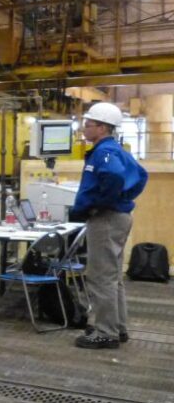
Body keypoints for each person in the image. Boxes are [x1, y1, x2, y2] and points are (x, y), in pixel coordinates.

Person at [68, 102, 148, 349]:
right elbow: (141, 175)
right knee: (112, 277)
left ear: (101, 127)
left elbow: (112, 178)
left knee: (100, 277)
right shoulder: (115, 150)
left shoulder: (105, 153)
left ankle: (105, 332)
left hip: (106, 219)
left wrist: (100, 204)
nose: (84, 128)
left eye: (88, 124)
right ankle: (117, 327)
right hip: (117, 216)